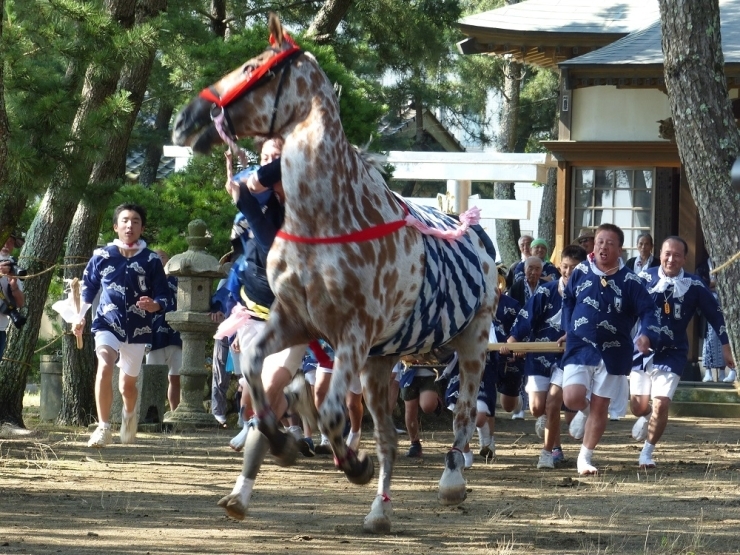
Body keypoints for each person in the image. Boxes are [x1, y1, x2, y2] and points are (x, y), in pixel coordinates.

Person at [221, 136, 316, 454]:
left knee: (273, 382)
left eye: (280, 158)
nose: (274, 166)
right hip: (255, 304)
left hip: (296, 312)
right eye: (269, 158)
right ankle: (271, 413)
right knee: (251, 382)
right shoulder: (254, 201)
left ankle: (264, 426)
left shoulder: (312, 204)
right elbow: (240, 188)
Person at [560, 223, 660, 475]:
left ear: (619, 249)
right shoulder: (581, 270)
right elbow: (568, 299)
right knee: (571, 397)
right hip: (580, 344)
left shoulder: (630, 281)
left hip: (614, 350)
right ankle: (584, 411)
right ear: (594, 245)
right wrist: (568, 327)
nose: (603, 247)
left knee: (600, 406)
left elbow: (648, 310)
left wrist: (645, 334)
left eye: (610, 243)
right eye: (600, 241)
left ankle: (585, 457)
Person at [630, 236, 735, 468]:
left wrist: (727, 348)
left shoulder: (695, 285)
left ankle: (647, 452)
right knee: (638, 406)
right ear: (660, 254)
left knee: (662, 403)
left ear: (684, 258)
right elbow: (624, 307)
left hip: (674, 351)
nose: (671, 259)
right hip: (642, 348)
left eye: (677, 255)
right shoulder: (643, 278)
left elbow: (716, 317)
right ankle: (645, 416)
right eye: (667, 253)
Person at [74, 204, 170, 448]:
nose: (130, 225)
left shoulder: (151, 260)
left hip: (138, 329)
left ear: (142, 228)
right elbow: (87, 289)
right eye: (125, 221)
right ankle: (103, 428)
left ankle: (129, 415)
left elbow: (164, 295)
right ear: (116, 226)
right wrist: (80, 316)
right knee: (105, 364)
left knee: (127, 385)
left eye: (135, 221)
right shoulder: (102, 256)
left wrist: (154, 305)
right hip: (107, 322)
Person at [505, 244, 587, 469]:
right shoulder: (545, 291)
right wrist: (512, 340)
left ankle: (548, 452)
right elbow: (525, 318)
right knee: (537, 407)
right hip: (539, 353)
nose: (569, 272)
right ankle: (548, 428)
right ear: (560, 266)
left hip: (568, 356)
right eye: (566, 267)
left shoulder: (587, 295)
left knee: (553, 403)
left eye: (575, 268)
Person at [146, 249, 182, 412]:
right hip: (154, 335)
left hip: (176, 334)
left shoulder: (178, 281)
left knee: (176, 378)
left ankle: (175, 413)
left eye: (163, 256)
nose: (160, 260)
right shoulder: (148, 280)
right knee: (153, 378)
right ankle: (152, 413)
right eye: (157, 257)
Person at [0, 232, 26, 359]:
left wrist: (14, 285)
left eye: (10, 241)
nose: (6, 244)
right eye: (4, 239)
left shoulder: (13, 267)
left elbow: (21, 303)